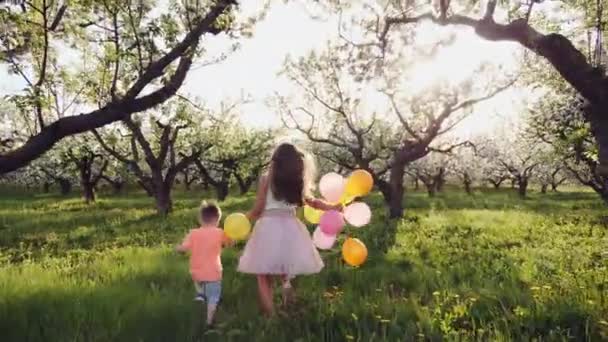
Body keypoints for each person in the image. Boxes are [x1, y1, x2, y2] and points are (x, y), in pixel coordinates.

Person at [237, 143, 342, 316]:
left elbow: (258, 209)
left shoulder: (266, 179)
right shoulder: (296, 180)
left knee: (263, 274)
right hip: (291, 226)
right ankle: (288, 295)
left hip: (269, 226)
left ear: (275, 161)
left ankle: (271, 315)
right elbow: (313, 202)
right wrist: (333, 207)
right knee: (286, 266)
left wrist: (243, 220)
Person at [176, 201, 230, 326]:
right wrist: (230, 238)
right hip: (213, 272)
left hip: (196, 271)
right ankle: (209, 321)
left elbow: (184, 248)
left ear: (201, 219)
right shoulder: (220, 232)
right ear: (217, 219)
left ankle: (200, 293)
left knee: (199, 281)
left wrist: (177, 248)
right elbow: (229, 243)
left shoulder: (193, 233)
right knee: (213, 297)